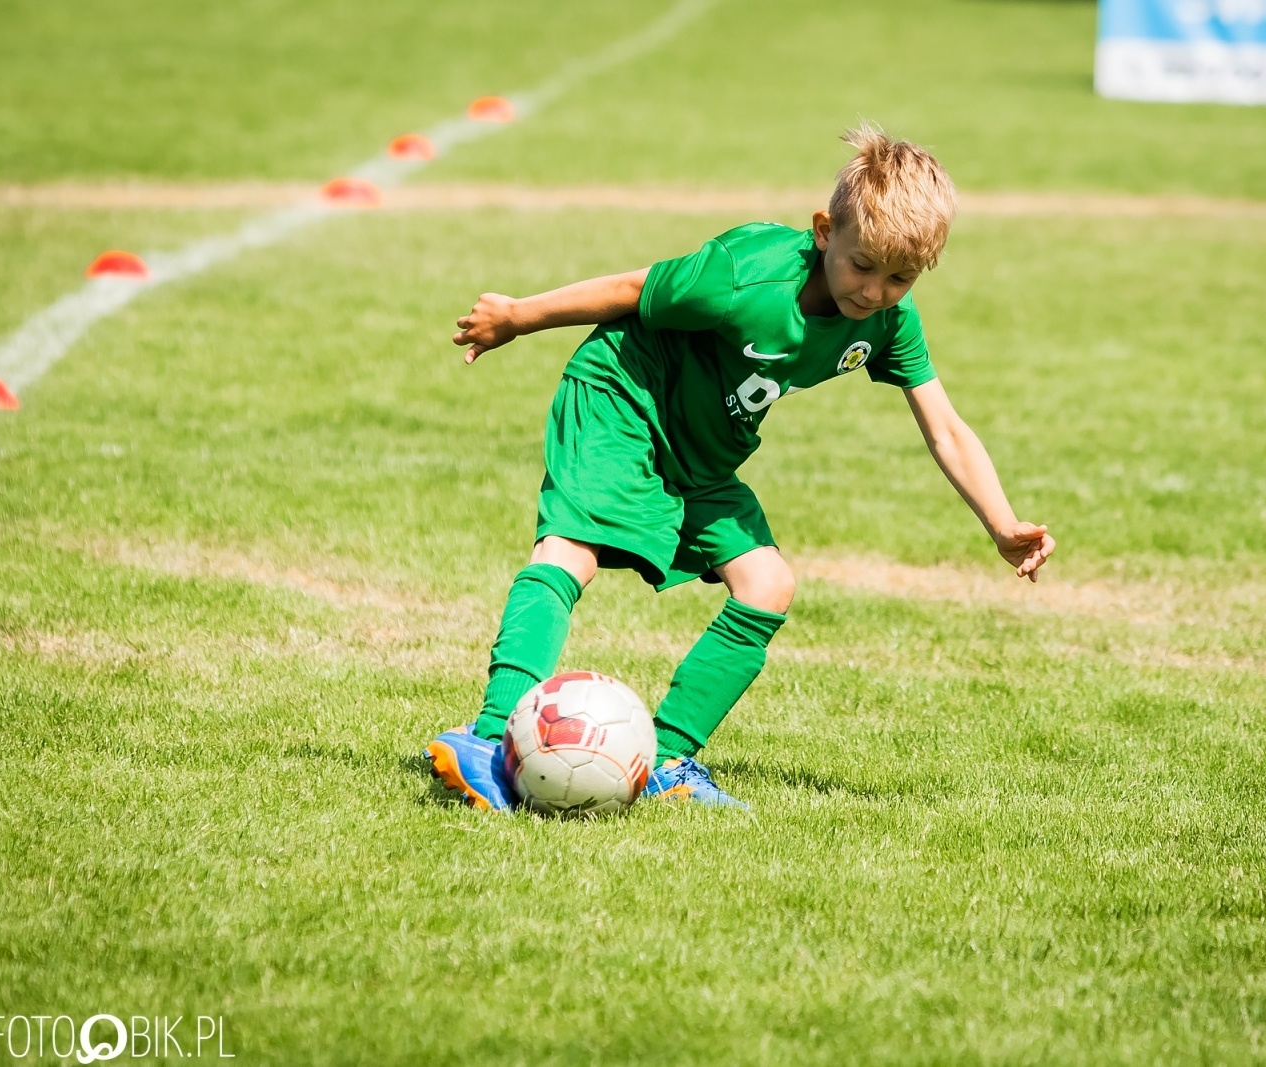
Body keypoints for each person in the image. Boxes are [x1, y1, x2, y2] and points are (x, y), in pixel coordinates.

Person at [425, 125, 1055, 811]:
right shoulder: (746, 272)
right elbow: (633, 288)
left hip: (704, 452)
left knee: (768, 584)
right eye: (862, 265)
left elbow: (946, 428)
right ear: (824, 232)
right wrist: (517, 316)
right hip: (623, 399)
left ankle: (665, 761)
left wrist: (1001, 524)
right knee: (571, 551)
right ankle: (491, 738)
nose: (876, 290)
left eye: (900, 278)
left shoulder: (888, 324)